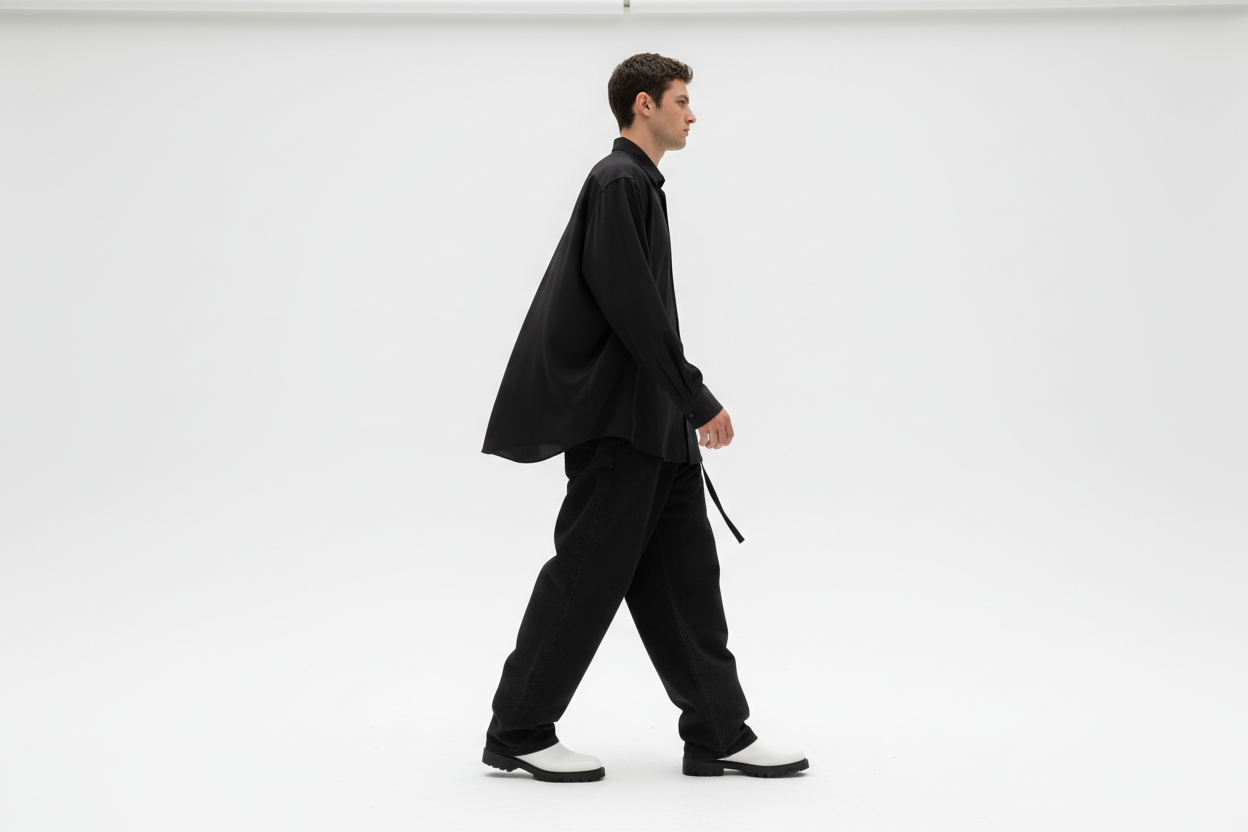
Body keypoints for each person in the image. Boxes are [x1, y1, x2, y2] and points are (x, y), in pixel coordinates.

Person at [479, 53, 807, 782]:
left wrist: (677, 409)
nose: (692, 113)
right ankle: (520, 730)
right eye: (681, 100)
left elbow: (640, 312)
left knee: (688, 580)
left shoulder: (639, 185)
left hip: (652, 427)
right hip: (621, 428)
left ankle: (720, 731)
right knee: (586, 576)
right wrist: (695, 396)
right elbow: (633, 309)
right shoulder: (620, 181)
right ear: (642, 106)